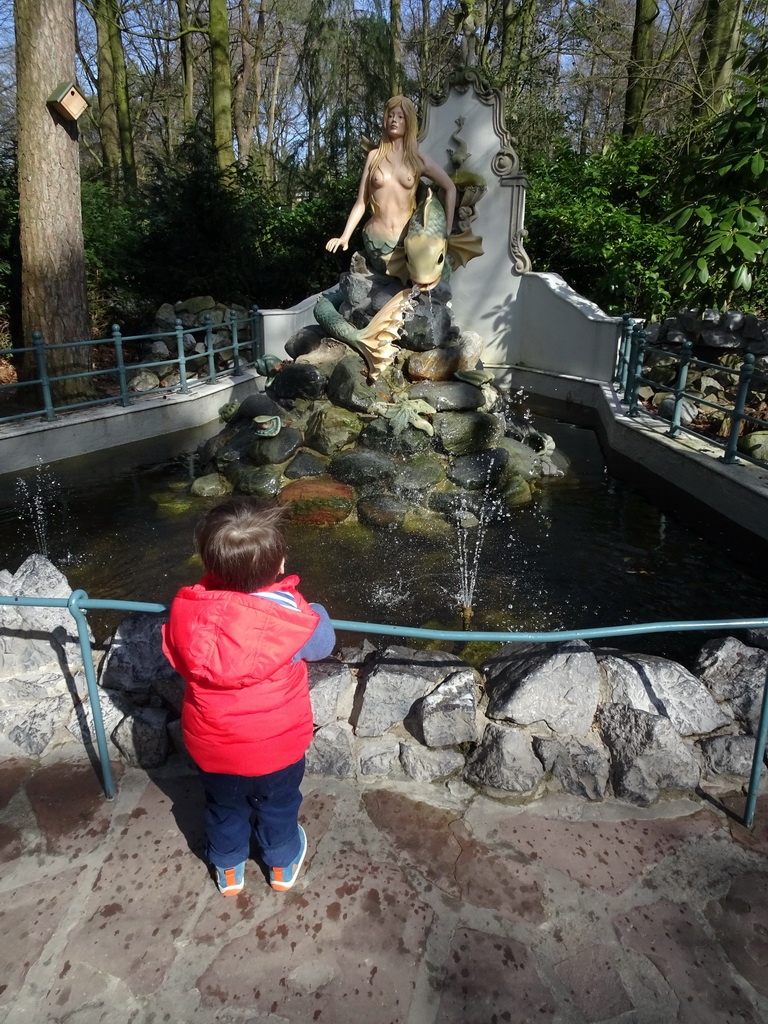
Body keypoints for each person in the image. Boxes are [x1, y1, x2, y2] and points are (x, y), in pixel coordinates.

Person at [161, 497, 335, 896]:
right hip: (278, 746)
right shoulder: (292, 617)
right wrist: (315, 609)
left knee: (224, 807)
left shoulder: (186, 615)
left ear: (209, 564)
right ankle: (280, 863)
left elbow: (174, 649)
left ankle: (228, 868)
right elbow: (323, 642)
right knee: (278, 804)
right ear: (280, 565)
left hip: (214, 748)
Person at [326, 95, 457, 277]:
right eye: (390, 115)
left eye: (400, 116)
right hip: (376, 241)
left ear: (409, 122)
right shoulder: (374, 156)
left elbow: (450, 187)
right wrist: (345, 236)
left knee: (430, 283)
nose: (394, 120)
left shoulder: (418, 160)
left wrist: (446, 232)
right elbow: (361, 202)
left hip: (408, 244)